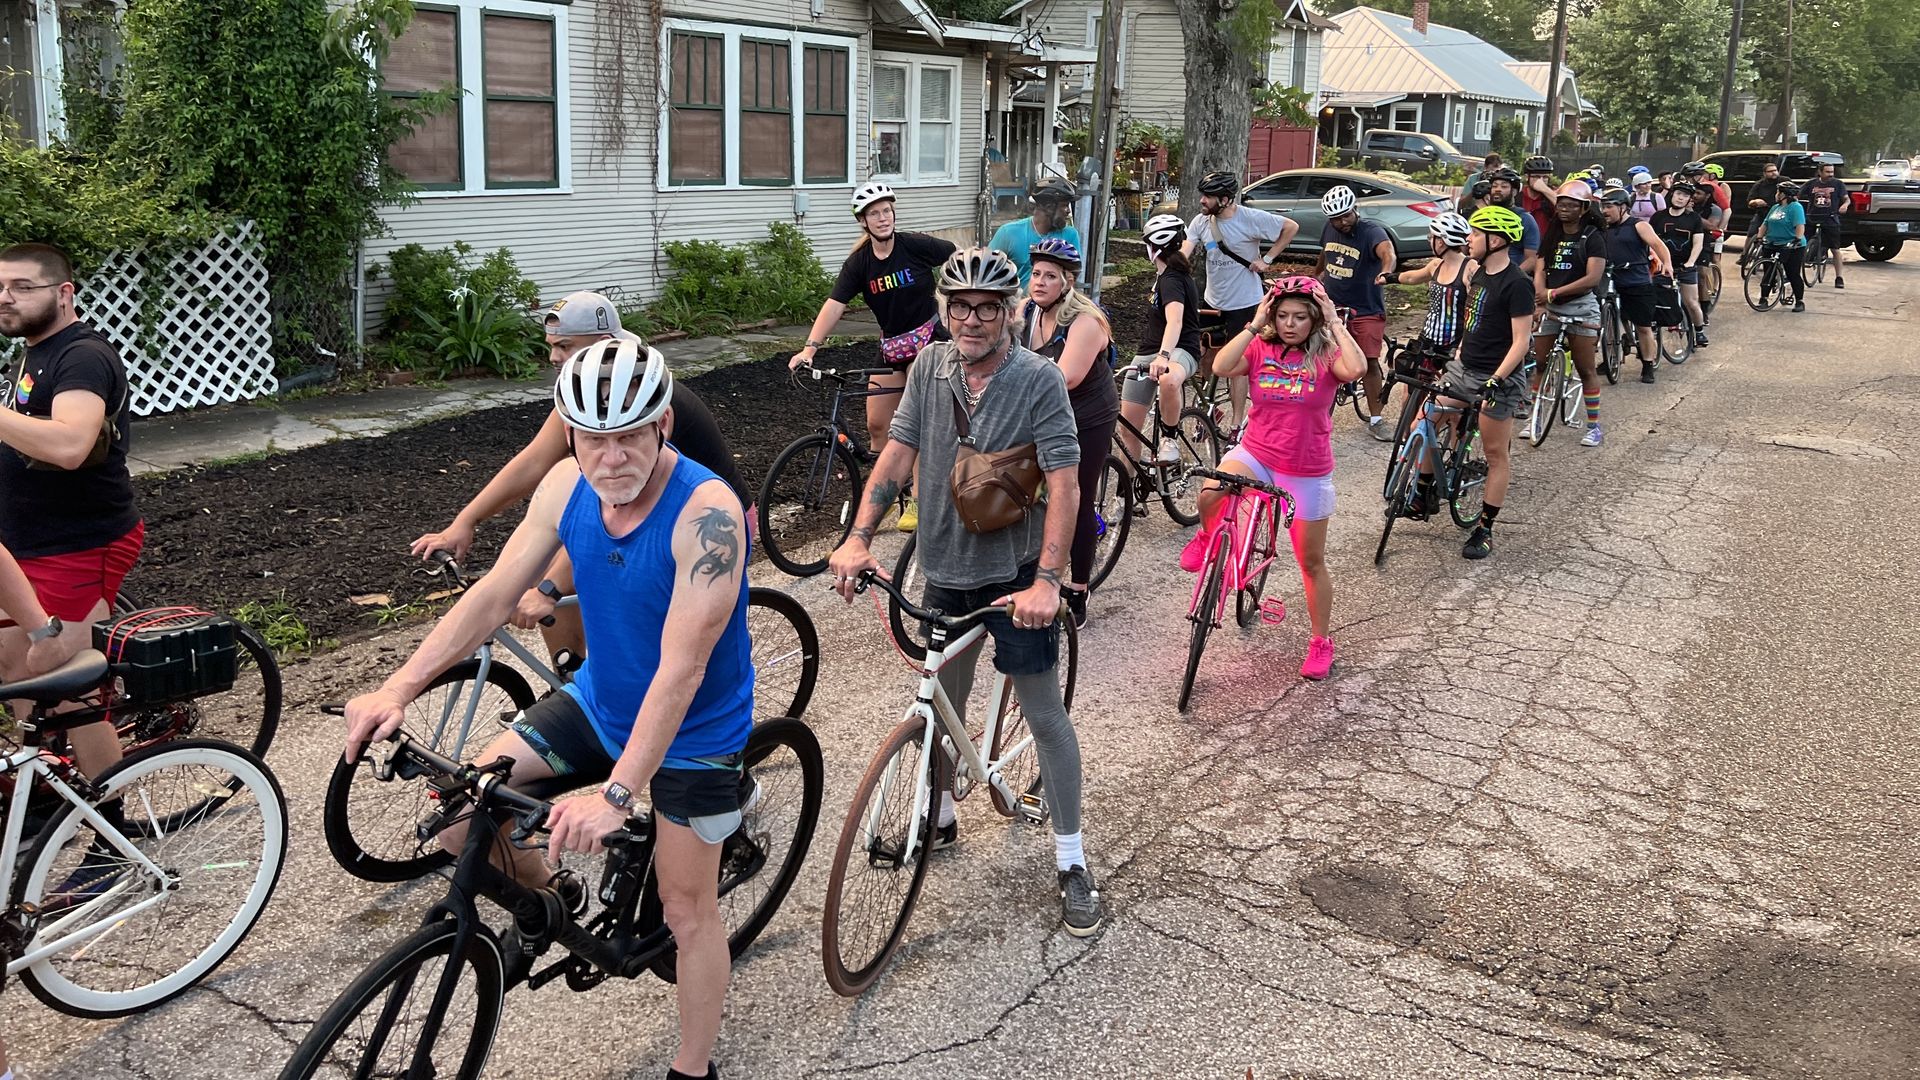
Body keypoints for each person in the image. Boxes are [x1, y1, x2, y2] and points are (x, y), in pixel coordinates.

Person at [348, 338, 753, 1080]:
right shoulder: (566, 486)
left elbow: (682, 669)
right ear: (569, 433)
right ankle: (552, 898)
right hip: (602, 701)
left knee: (688, 912)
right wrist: (397, 688)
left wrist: (618, 796)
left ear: (664, 422)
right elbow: (495, 595)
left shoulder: (709, 516)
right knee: (458, 817)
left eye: (631, 434)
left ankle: (695, 1067)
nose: (613, 458)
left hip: (694, 729)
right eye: (594, 437)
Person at [825, 247, 1103, 937]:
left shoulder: (1038, 379)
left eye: (987, 307)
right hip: (945, 567)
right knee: (942, 698)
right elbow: (897, 455)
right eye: (959, 307)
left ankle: (1071, 858)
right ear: (943, 312)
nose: (972, 319)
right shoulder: (930, 366)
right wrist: (860, 535)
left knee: (1043, 711)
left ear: (1011, 312)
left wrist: (1047, 581)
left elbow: (1066, 485)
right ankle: (940, 815)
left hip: (1015, 574)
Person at [411, 291, 751, 662]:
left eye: (565, 345)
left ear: (604, 343)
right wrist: (466, 521)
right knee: (549, 571)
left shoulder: (632, 393)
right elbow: (533, 462)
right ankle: (571, 678)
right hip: (638, 510)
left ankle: (599, 692)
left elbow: (609, 516)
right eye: (551, 346)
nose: (554, 357)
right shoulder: (589, 390)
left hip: (715, 522)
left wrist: (548, 588)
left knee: (599, 605)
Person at [0, 242, 142, 783]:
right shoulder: (34, 350)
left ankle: (113, 821)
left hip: (80, 543)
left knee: (63, 680)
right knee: (14, 663)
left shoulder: (81, 355)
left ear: (64, 294)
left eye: (22, 287)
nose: (5, 298)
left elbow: (68, 445)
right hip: (28, 540)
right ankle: (48, 786)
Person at [1184, 276, 1364, 680]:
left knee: (1310, 562)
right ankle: (1207, 537)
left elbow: (1356, 369)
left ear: (1314, 318)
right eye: (1282, 315)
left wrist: (1335, 322)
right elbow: (1221, 366)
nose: (1290, 323)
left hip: (1306, 468)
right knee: (1210, 492)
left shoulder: (1327, 354)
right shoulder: (1262, 346)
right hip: (1257, 453)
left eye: (1300, 316)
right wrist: (1253, 322)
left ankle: (1321, 643)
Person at [794, 182, 957, 522]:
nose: (883, 218)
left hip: (929, 343)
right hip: (892, 346)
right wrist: (809, 348)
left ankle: (918, 499)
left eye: (886, 211)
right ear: (863, 222)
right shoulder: (860, 264)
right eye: (874, 213)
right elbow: (835, 305)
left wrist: (961, 299)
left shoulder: (915, 245)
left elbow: (959, 256)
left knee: (916, 420)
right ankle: (886, 496)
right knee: (877, 425)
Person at [1415, 206, 1533, 561]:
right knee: (1426, 421)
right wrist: (1458, 357)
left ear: (1495, 240)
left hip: (1499, 378)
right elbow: (1472, 323)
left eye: (1476, 234)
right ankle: (1423, 492)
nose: (1468, 238)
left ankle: (1484, 528)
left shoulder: (1517, 284)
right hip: (1463, 369)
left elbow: (1521, 341)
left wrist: (1497, 379)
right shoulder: (1478, 273)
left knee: (1496, 454)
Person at [1020, 237, 1118, 631]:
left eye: (1050, 276)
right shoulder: (1027, 312)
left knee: (1074, 497)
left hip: (1086, 414)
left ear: (1068, 281)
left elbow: (1066, 376)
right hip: (1042, 412)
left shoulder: (1086, 321)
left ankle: (1077, 589)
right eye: (1036, 274)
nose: (1039, 282)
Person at [1182, 169, 1299, 437]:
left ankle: (1236, 424)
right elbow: (1186, 249)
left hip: (1244, 303)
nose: (1202, 200)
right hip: (1214, 301)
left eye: (1208, 196)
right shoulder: (1201, 222)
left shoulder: (1250, 218)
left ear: (1224, 199)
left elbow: (1291, 227)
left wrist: (1267, 259)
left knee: (1236, 366)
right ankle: (1209, 410)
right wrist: (1170, 270)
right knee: (1209, 357)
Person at [1530, 181, 1611, 446]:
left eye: (1571, 205)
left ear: (1584, 208)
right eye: (1561, 204)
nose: (1564, 209)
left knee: (1586, 368)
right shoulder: (1553, 232)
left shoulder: (1593, 236)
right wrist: (1541, 298)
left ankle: (1594, 426)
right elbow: (1540, 267)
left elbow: (1592, 278)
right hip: (1550, 306)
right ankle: (1536, 417)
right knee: (1540, 363)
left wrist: (1555, 292)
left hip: (1581, 307)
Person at [1312, 184, 1395, 439]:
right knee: (1321, 358)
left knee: (1369, 361)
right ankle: (1316, 415)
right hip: (1333, 306)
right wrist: (1316, 277)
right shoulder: (1330, 228)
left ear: (1354, 209)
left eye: (1346, 215)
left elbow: (1387, 252)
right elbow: (1325, 253)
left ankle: (1377, 418)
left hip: (1366, 308)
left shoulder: (1371, 231)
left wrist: (1386, 271)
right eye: (1336, 219)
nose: (1342, 222)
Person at [1121, 214, 1201, 466]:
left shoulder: (1172, 280)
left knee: (1169, 379)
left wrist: (1163, 356)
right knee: (1127, 431)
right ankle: (1126, 497)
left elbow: (1175, 321)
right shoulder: (1164, 275)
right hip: (1149, 350)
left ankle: (1170, 438)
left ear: (1152, 248)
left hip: (1179, 349)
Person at [1384, 212, 1476, 373]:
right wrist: (1389, 278)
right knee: (1410, 383)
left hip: (1454, 342)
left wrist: (1464, 346)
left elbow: (1474, 312)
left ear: (1440, 242)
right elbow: (1413, 277)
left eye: (1431, 237)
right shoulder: (1436, 265)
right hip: (1428, 337)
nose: (1429, 240)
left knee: (1446, 392)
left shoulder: (1470, 268)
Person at [1599, 189, 1670, 383]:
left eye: (1609, 206)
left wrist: (1668, 264)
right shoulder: (1603, 227)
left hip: (1636, 280)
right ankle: (1610, 356)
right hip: (1611, 279)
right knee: (1606, 320)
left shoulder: (1638, 225)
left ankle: (1648, 365)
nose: (1604, 211)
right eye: (1603, 206)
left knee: (1643, 327)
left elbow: (1658, 244)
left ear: (1623, 207)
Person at [989, 177, 1083, 288]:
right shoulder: (1008, 233)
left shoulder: (1070, 235)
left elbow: (1073, 276)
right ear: (1049, 207)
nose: (1068, 211)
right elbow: (988, 271)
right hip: (1016, 302)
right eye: (1065, 205)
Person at [1651, 182, 1710, 347]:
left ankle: (1699, 331)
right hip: (1662, 267)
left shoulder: (1694, 219)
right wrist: (1658, 261)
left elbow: (1698, 243)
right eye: (1678, 194)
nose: (1680, 198)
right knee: (1657, 299)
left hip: (1686, 267)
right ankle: (1655, 327)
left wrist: (1690, 262)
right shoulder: (1658, 217)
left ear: (1689, 200)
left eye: (1685, 196)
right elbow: (1652, 242)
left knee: (1691, 302)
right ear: (1672, 195)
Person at [1760, 181, 1809, 313]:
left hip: (1791, 245)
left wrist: (1797, 239)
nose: (1776, 195)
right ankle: (1763, 298)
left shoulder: (1795, 207)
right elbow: (1766, 223)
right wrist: (1760, 237)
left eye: (1778, 192)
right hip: (1772, 243)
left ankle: (1799, 301)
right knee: (1768, 272)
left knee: (1793, 273)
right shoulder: (1775, 207)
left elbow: (1800, 225)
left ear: (1785, 195)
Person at [1804, 161, 1850, 289]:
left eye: (1832, 172)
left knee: (1835, 249)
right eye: (1827, 172)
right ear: (1820, 172)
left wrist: (1845, 205)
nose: (1830, 174)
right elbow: (1798, 195)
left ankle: (1839, 277)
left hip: (1830, 219)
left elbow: (1846, 199)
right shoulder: (1811, 183)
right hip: (1812, 218)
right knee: (1800, 245)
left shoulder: (1838, 184)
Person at [1486, 168, 1542, 270]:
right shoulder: (1483, 217)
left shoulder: (1525, 219)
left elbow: (1532, 259)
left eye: (1504, 186)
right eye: (1494, 186)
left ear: (1515, 192)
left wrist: (1512, 278)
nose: (1498, 189)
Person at [1520, 155, 1558, 237]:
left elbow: (1563, 206)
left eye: (1545, 177)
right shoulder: (1518, 196)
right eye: (1536, 177)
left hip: (1545, 245)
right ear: (1527, 177)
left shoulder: (1552, 194)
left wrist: (1545, 190)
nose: (1541, 181)